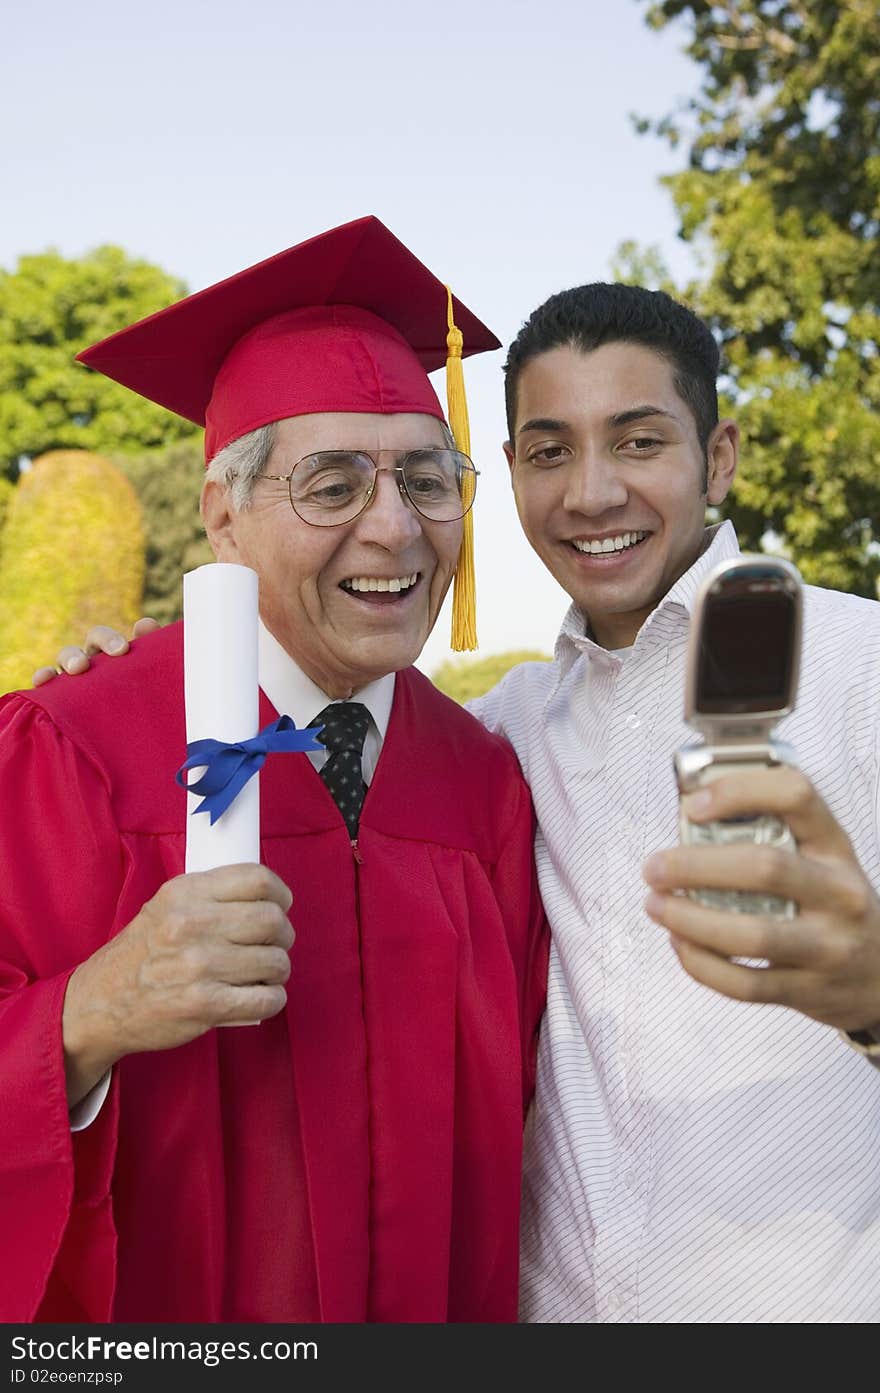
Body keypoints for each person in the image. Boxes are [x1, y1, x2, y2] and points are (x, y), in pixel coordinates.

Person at [65, 279, 880, 1322]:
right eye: (548, 452)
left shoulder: (856, 670)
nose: (590, 494)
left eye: (637, 442)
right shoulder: (503, 737)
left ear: (716, 456)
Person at [0, 216, 549, 1324]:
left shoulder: (484, 786)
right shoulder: (71, 753)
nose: (395, 529)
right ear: (222, 517)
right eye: (333, 485)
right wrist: (85, 1014)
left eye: (429, 481)